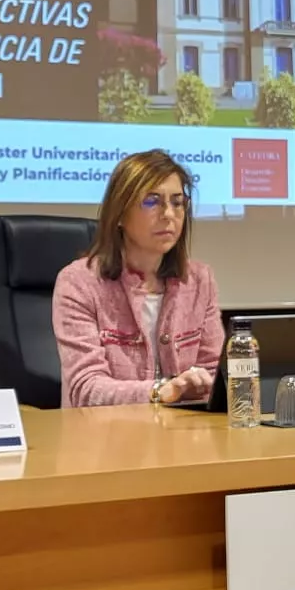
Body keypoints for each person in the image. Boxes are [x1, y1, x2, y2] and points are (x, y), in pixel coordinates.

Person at [54, 149, 223, 407]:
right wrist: (160, 391)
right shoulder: (78, 283)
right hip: (105, 438)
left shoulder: (199, 280)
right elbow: (86, 389)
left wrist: (201, 384)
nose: (168, 214)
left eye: (177, 202)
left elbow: (216, 373)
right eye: (151, 201)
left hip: (184, 436)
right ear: (120, 214)